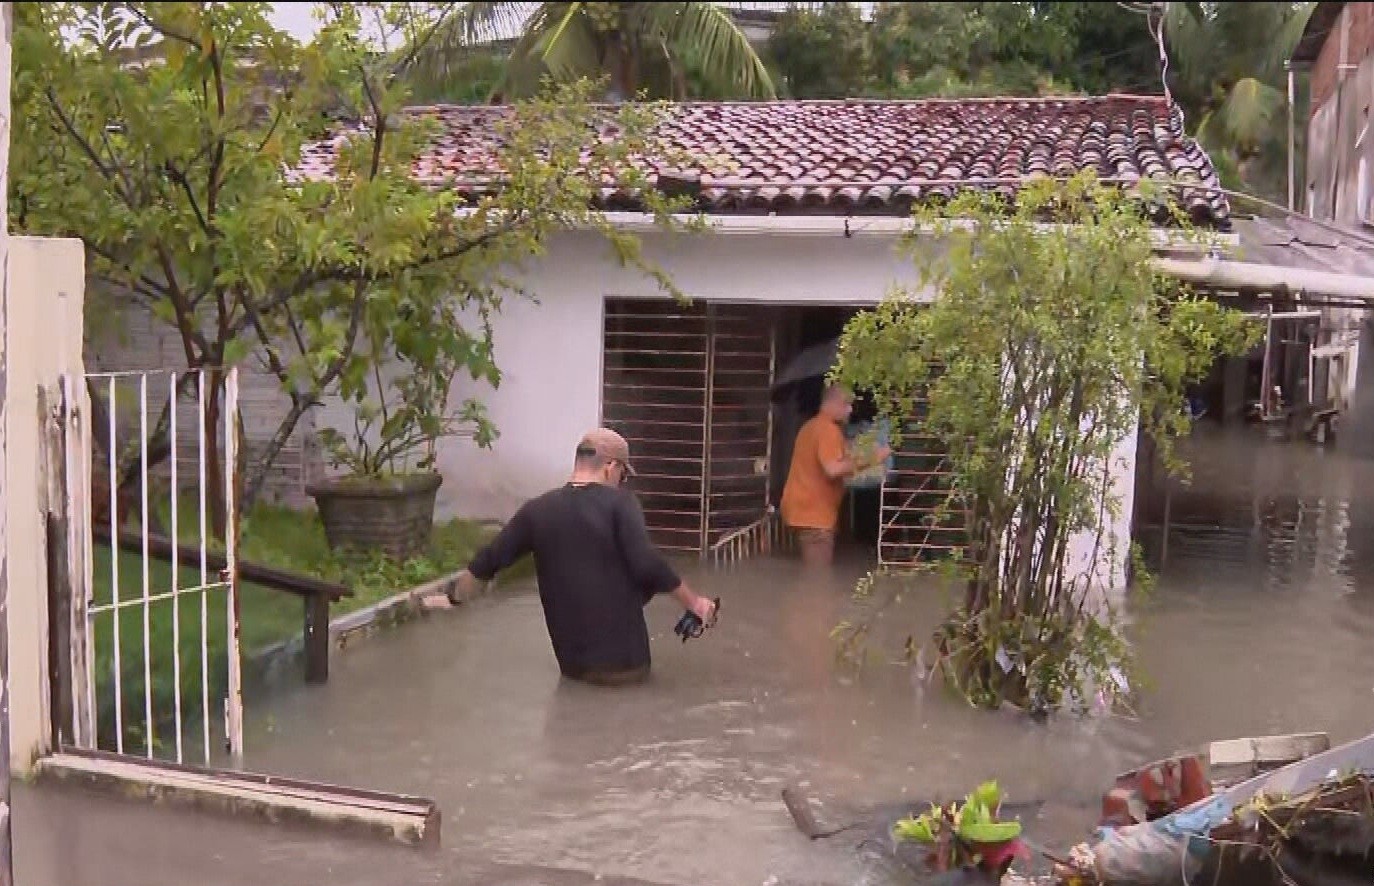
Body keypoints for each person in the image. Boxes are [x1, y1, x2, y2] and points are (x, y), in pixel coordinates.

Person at [444, 428, 717, 686]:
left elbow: (487, 561)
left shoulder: (536, 511)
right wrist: (695, 604)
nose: (621, 484)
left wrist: (451, 599)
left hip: (572, 668)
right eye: (623, 475)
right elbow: (647, 564)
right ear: (611, 467)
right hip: (624, 669)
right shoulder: (621, 504)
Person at [779, 384, 890, 567]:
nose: (851, 410)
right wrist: (874, 457)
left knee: (810, 573)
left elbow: (838, 457)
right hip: (814, 517)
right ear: (834, 404)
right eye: (847, 404)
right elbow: (833, 469)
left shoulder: (812, 426)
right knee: (818, 581)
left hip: (801, 512)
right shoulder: (826, 430)